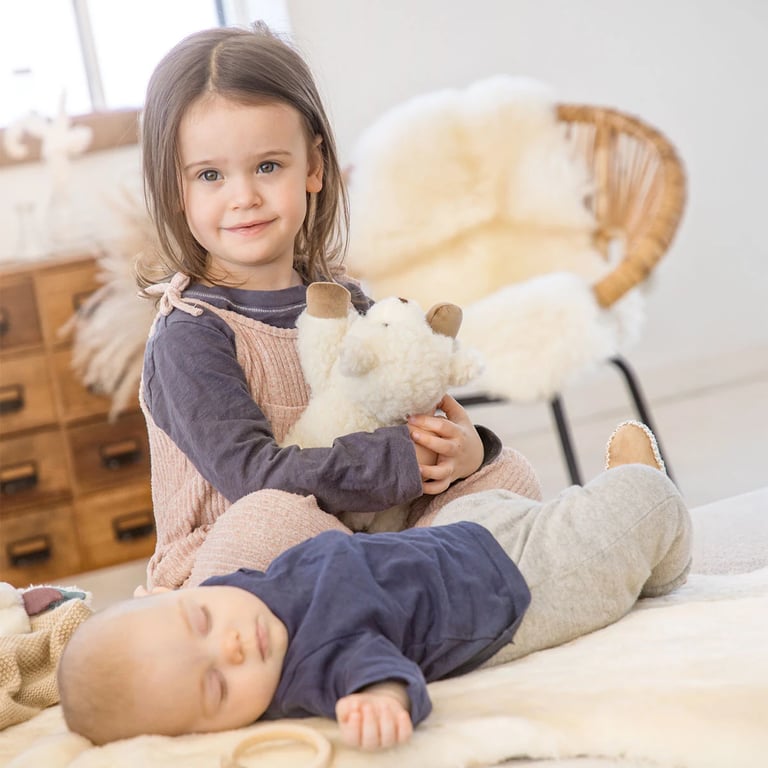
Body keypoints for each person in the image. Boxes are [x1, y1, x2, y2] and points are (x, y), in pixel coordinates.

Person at [134, 22, 541, 591]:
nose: (244, 195)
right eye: (210, 175)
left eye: (268, 166)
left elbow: (406, 405)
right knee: (280, 517)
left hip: (367, 534)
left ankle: (404, 594)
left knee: (508, 474)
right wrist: (398, 463)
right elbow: (254, 478)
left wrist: (461, 452)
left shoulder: (347, 301)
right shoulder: (190, 335)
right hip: (232, 563)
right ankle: (433, 591)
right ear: (177, 190)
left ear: (314, 168)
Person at [58, 421, 693, 750]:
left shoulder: (232, 597)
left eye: (198, 621)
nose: (230, 646)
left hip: (452, 537)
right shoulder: (313, 661)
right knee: (626, 522)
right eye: (217, 687)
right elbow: (378, 671)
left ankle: (608, 504)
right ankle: (657, 533)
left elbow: (212, 592)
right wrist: (381, 701)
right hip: (509, 591)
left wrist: (162, 599)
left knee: (515, 501)